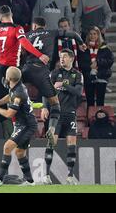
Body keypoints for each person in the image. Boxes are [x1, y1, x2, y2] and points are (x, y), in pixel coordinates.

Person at [24, 16, 84, 145]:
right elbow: (72, 34)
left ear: (33, 26)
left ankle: (22, 121)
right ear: (44, 26)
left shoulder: (27, 34)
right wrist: (81, 42)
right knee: (55, 103)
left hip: (26, 69)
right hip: (41, 70)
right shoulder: (51, 32)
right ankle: (51, 128)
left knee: (16, 92)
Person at [0, 67, 37, 186]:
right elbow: (9, 97)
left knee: (7, 147)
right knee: (19, 152)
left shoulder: (19, 93)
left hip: (26, 125)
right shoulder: (16, 87)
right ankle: (29, 181)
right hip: (24, 123)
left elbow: (9, 114)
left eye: (6, 76)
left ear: (9, 78)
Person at [42, 49, 83, 185]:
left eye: (64, 57)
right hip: (56, 114)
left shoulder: (77, 75)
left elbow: (78, 92)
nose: (62, 59)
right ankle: (46, 175)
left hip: (70, 114)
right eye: (60, 57)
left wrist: (64, 84)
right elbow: (45, 91)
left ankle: (70, 176)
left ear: (71, 58)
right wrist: (44, 107)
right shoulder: (54, 73)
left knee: (72, 145)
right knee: (51, 143)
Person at [78, 27, 114, 107]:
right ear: (87, 35)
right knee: (90, 102)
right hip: (88, 77)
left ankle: (99, 118)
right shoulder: (84, 48)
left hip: (101, 77)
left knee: (100, 102)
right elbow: (80, 63)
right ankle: (90, 118)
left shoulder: (105, 48)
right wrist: (90, 66)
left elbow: (110, 61)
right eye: (90, 34)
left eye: (95, 34)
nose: (92, 36)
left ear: (98, 35)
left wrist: (98, 63)